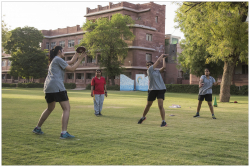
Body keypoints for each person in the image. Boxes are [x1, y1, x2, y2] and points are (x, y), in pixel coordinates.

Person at [32, 45, 86, 139]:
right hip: (57, 87)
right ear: (59, 52)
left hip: (49, 87)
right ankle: (63, 133)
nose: (64, 52)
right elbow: (72, 68)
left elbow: (72, 62)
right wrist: (80, 59)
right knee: (66, 108)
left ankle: (37, 128)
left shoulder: (56, 60)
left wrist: (77, 54)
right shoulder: (58, 59)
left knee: (50, 108)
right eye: (63, 50)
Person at [138, 54, 168, 127]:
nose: (149, 66)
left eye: (150, 64)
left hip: (161, 89)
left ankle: (163, 121)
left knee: (160, 106)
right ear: (147, 67)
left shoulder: (157, 71)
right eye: (148, 65)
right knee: (148, 105)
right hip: (152, 90)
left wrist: (163, 58)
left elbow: (164, 67)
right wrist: (162, 55)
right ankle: (143, 117)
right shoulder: (149, 71)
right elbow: (158, 61)